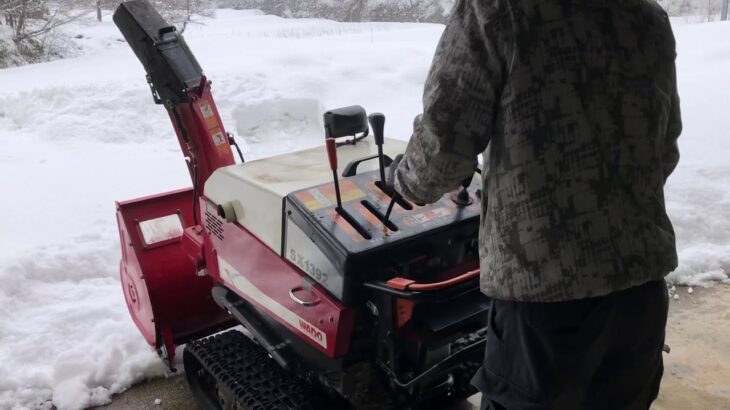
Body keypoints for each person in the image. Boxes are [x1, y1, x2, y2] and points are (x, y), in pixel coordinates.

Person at [390, 0, 681, 408]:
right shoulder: (647, 16)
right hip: (639, 297)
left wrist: (403, 180)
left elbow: (443, 152)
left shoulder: (497, 9)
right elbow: (664, 149)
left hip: (544, 306)